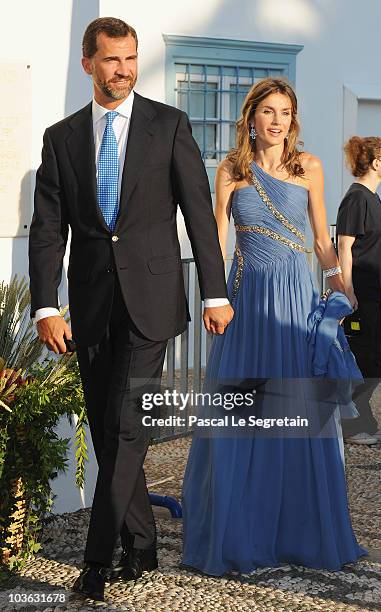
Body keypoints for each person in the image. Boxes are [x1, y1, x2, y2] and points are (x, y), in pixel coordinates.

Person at [28, 17, 233, 601]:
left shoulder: (168, 126)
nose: (122, 70)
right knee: (110, 435)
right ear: (88, 62)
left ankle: (95, 562)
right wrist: (47, 305)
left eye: (130, 59)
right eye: (111, 60)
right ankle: (141, 549)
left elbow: (197, 214)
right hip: (90, 307)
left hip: (152, 304)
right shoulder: (61, 137)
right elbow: (48, 231)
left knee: (126, 427)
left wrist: (215, 293)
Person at [181, 77, 367, 576]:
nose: (277, 120)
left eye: (285, 112)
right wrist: (212, 295)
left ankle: (298, 532)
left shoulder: (310, 167)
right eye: (268, 111)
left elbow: (322, 239)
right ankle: (241, 532)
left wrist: (338, 284)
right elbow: (217, 243)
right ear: (251, 117)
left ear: (293, 119)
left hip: (293, 306)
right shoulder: (229, 172)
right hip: (246, 306)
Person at [336, 136, 381, 445]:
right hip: (363, 295)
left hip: (375, 292)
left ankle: (361, 420)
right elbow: (344, 246)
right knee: (367, 361)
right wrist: (347, 291)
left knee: (373, 360)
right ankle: (350, 422)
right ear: (377, 163)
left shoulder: (372, 198)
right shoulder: (357, 198)